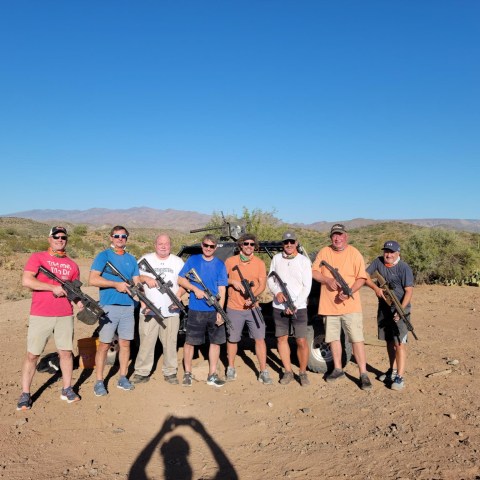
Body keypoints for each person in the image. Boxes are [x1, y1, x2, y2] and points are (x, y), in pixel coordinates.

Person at [17, 226, 81, 410]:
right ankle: (25, 393)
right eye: (56, 236)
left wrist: (79, 302)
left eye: (63, 237)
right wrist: (51, 288)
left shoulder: (72, 265)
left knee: (66, 353)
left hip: (64, 314)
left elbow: (73, 292)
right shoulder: (37, 257)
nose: (60, 240)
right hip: (41, 313)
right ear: (49, 239)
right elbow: (27, 280)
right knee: (32, 355)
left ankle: (67, 389)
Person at [311, 224, 372, 390]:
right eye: (334, 236)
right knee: (333, 338)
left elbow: (361, 278)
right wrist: (327, 280)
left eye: (340, 235)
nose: (337, 238)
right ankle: (338, 369)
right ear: (331, 237)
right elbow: (314, 271)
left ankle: (363, 373)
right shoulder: (324, 252)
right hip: (329, 306)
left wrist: (349, 291)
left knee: (356, 339)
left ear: (346, 236)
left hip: (351, 307)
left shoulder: (354, 253)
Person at [89, 226, 139, 396]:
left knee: (125, 344)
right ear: (111, 237)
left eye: (123, 236)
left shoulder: (132, 259)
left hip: (128, 307)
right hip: (109, 307)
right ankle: (99, 381)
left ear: (127, 238)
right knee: (104, 345)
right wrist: (115, 284)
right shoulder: (104, 256)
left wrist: (139, 289)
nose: (120, 238)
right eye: (116, 236)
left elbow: (136, 282)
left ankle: (123, 377)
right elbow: (93, 279)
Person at [132, 234, 185, 385]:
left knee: (170, 342)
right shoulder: (145, 260)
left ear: (170, 245)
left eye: (166, 244)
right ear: (155, 245)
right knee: (146, 342)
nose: (163, 246)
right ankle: (142, 372)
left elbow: (184, 283)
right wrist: (146, 279)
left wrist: (179, 295)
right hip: (149, 309)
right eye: (160, 243)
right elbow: (135, 279)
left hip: (171, 311)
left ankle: (170, 372)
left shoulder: (177, 261)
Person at [177, 234, 228, 388]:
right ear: (202, 245)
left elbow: (222, 290)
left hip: (213, 310)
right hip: (196, 309)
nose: (208, 248)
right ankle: (187, 373)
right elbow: (181, 279)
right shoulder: (193, 260)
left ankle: (212, 374)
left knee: (215, 342)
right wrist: (194, 289)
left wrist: (220, 310)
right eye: (206, 245)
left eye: (212, 246)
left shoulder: (220, 264)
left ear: (215, 247)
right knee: (190, 342)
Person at [365, 240, 414, 391]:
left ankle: (400, 377)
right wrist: (375, 288)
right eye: (386, 251)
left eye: (392, 252)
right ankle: (391, 371)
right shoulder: (378, 262)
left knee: (399, 343)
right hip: (384, 309)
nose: (388, 254)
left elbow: (409, 291)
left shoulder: (404, 268)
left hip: (400, 309)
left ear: (398, 253)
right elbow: (365, 275)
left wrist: (401, 311)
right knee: (388, 341)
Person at [224, 233, 272, 384]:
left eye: (252, 244)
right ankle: (230, 367)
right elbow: (221, 279)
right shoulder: (230, 261)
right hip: (234, 307)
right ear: (240, 245)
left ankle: (263, 370)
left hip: (253, 308)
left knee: (260, 339)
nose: (249, 247)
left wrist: (254, 296)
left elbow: (262, 284)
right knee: (232, 339)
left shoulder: (259, 263)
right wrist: (232, 281)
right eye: (246, 244)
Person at [267, 231, 312, 386]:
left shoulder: (304, 261)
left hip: (299, 307)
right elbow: (270, 279)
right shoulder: (276, 259)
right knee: (281, 338)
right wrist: (277, 292)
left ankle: (303, 372)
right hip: (279, 306)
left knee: (301, 340)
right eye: (286, 242)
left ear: (296, 243)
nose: (289, 245)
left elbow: (307, 286)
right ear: (283, 244)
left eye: (292, 242)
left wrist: (296, 305)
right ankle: (288, 371)